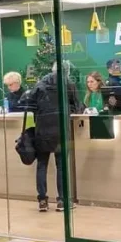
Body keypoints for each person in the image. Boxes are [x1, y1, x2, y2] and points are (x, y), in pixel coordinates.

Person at [24, 62, 81, 212]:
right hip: (61, 131)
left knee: (42, 165)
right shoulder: (68, 84)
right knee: (61, 166)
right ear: (66, 72)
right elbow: (77, 106)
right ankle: (62, 200)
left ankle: (42, 200)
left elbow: (30, 106)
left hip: (42, 131)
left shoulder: (40, 84)